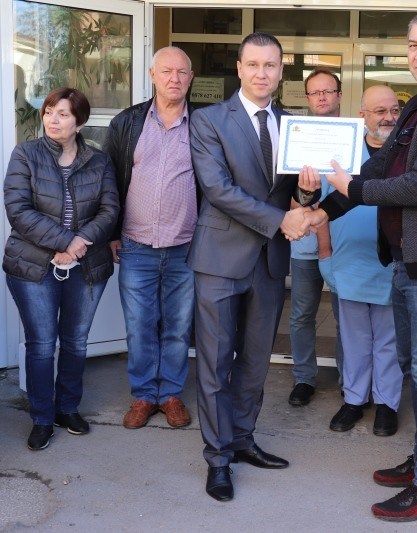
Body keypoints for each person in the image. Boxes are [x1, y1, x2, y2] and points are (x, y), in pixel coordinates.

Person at [300, 8, 417, 521]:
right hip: (409, 257)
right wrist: (320, 210)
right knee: (416, 369)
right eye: (412, 45)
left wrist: (354, 189)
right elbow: (379, 167)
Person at [187, 32, 320, 502]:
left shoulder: (292, 124)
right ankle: (217, 458)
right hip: (220, 259)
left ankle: (242, 439)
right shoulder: (207, 120)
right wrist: (282, 219)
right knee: (215, 363)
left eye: (271, 65)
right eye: (254, 64)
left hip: (268, 261)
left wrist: (307, 193)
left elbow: (296, 194)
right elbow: (217, 189)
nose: (262, 73)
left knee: (255, 361)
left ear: (282, 72)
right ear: (239, 69)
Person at [3, 87, 119, 450]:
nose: (53, 120)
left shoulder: (99, 161)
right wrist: (65, 241)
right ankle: (41, 417)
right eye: (49, 112)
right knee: (41, 345)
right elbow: (18, 210)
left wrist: (81, 241)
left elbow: (110, 210)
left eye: (63, 114)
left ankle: (67, 408)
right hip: (33, 264)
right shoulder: (26, 154)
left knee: (75, 342)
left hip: (86, 266)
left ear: (79, 122)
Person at [104, 46, 197, 430]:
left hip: (186, 247)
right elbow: (109, 181)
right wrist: (111, 232)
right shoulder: (127, 122)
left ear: (191, 78)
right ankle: (144, 394)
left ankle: (170, 394)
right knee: (140, 325)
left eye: (182, 72)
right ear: (152, 75)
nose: (174, 78)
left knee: (178, 326)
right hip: (136, 245)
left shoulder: (203, 125)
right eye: (167, 71)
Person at [321, 85, 402, 436]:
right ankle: (354, 400)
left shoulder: (406, 153)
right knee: (353, 338)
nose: (388, 117)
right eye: (380, 111)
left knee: (388, 339)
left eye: (394, 110)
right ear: (362, 116)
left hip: (392, 262)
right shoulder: (342, 153)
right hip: (349, 262)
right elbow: (321, 207)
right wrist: (325, 255)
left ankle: (387, 404)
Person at [288, 68, 344, 407]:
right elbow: (291, 201)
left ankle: (350, 381)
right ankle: (304, 379)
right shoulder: (297, 139)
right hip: (306, 244)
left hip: (344, 246)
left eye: (328, 91)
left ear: (339, 94)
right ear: (307, 98)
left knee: (346, 318)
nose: (322, 97)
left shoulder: (354, 137)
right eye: (315, 92)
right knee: (301, 315)